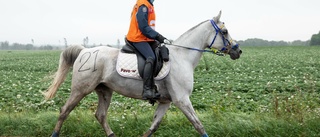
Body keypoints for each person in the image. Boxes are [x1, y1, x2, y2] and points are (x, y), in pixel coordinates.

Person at [126, 0, 169, 100]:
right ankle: (147, 90)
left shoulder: (149, 5)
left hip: (146, 39)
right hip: (137, 38)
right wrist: (158, 36)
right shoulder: (143, 5)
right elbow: (143, 27)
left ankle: (158, 85)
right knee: (151, 57)